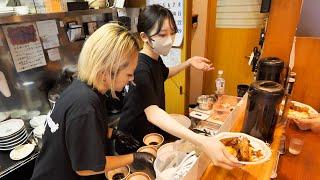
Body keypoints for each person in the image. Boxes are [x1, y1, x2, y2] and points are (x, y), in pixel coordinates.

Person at [117, 4, 241, 170]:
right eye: (162, 34)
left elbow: (165, 73)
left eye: (172, 33)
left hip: (150, 134)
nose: (169, 39)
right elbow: (153, 112)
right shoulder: (140, 68)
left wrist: (188, 63)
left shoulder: (154, 57)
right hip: (134, 140)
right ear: (144, 36)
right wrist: (202, 141)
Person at [31, 23, 154, 180]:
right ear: (106, 71)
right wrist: (135, 157)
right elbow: (86, 167)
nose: (132, 80)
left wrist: (114, 133)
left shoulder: (84, 87)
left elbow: (83, 132)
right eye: (129, 74)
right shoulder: (85, 104)